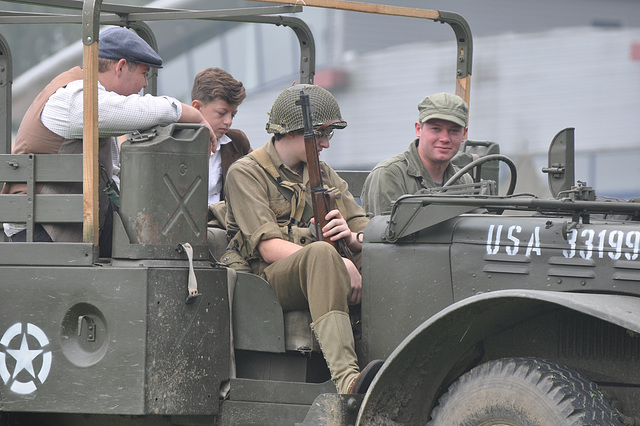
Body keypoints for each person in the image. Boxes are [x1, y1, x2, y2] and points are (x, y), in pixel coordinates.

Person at [223, 84, 383, 394]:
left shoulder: (320, 172)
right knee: (323, 254)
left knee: (380, 256)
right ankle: (347, 379)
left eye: (328, 135)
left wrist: (351, 237)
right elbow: (268, 248)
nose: (325, 143)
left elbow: (365, 226)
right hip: (266, 280)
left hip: (315, 266)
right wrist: (337, 260)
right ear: (292, 132)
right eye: (320, 134)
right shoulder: (246, 173)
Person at [2, 26, 215, 257]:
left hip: (67, 226)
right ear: (121, 67)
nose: (145, 84)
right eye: (144, 74)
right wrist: (190, 113)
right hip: (40, 232)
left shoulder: (96, 103)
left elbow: (113, 174)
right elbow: (137, 111)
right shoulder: (72, 97)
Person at [361, 92, 473, 216]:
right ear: (418, 129)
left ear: (464, 134)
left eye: (454, 130)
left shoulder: (464, 181)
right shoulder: (390, 175)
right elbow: (383, 232)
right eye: (436, 129)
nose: (445, 138)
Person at [191, 67, 251, 205]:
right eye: (221, 113)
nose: (229, 121)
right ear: (196, 108)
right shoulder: (171, 143)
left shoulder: (237, 142)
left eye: (233, 115)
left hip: (223, 224)